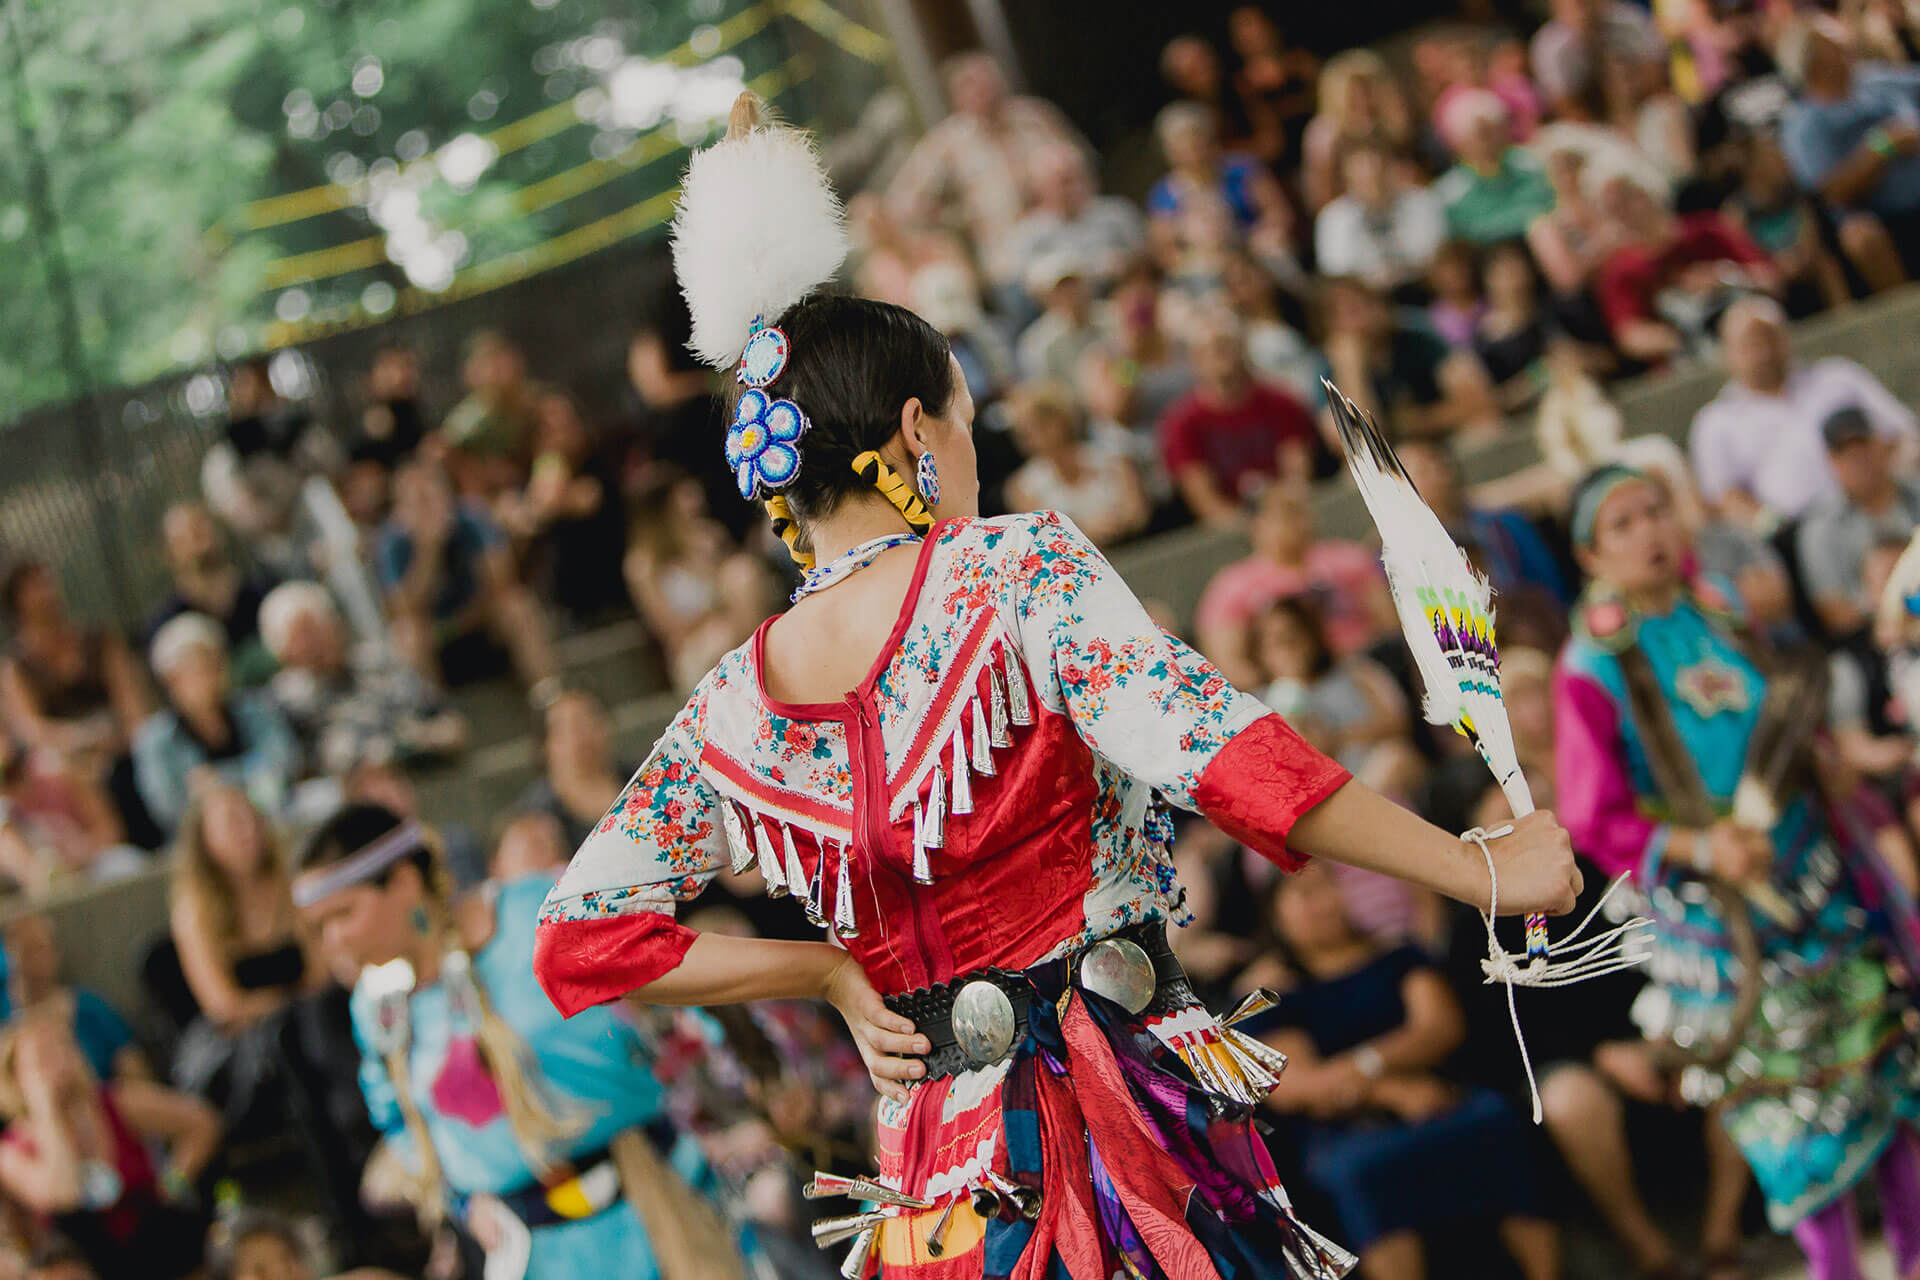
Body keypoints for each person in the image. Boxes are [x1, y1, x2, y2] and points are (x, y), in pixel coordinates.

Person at [532, 96, 1582, 1280]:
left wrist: (827, 972)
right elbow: (1225, 758)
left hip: (938, 1178)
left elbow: (579, 940)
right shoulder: (1008, 566)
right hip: (1116, 1131)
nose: (977, 449)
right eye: (971, 420)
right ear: (917, 427)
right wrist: (1482, 867)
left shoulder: (733, 697)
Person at [1553, 464, 1920, 1280]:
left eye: (1656, 511)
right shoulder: (1592, 663)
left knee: (1888, 1073)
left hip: (1816, 875)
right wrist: (1701, 848)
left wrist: (1825, 763)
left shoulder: (1720, 605)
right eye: (1623, 524)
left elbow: (1785, 715)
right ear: (1588, 555)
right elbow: (1591, 814)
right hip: (1723, 918)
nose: (1650, 531)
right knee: (1790, 1113)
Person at [294, 804, 756, 1279]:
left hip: (655, 1208)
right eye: (319, 927)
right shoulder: (378, 1007)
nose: (333, 940)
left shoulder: (538, 917)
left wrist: (739, 1104)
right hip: (531, 1253)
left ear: (404, 880)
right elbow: (397, 1121)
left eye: (343, 914)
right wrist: (464, 1199)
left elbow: (680, 1004)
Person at [1246, 863, 1559, 1280]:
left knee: (1494, 1121)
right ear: (1275, 915)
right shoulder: (1274, 991)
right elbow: (1298, 1086)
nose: (1324, 904)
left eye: (1329, 888)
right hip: (1345, 1131)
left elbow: (1438, 1026)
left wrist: (1362, 1065)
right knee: (1363, 1171)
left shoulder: (1395, 954)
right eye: (1305, 896)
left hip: (1440, 1094)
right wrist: (1390, 1091)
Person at [0, 1016, 217, 1280]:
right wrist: (47, 1110)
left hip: (156, 1250)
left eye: (61, 1048)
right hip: (85, 1265)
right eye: (42, 1058)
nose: (56, 1063)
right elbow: (62, 1194)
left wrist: (172, 1183)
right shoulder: (12, 1150)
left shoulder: (115, 1102)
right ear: (16, 1075)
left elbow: (202, 1123)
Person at [1688, 297, 1917, 527]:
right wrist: (1771, 525)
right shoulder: (1716, 422)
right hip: (1791, 534)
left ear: (1786, 337)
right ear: (1728, 353)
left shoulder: (1838, 379)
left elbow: (1905, 434)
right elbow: (1724, 500)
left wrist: (1890, 482)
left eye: (1770, 338)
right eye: (1750, 344)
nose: (1764, 353)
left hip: (1879, 509)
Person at [165, 782, 315, 1123]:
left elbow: (319, 970)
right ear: (205, 840)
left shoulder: (291, 885)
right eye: (233, 822)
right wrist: (287, 1005)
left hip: (304, 1019)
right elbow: (224, 1005)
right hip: (246, 1046)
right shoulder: (195, 911)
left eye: (251, 818)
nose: (247, 830)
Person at [886, 52, 1089, 304]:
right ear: (957, 97)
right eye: (972, 88)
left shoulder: (1035, 118)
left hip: (1069, 252)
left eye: (988, 84)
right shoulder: (950, 143)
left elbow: (1083, 164)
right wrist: (957, 220)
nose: (984, 94)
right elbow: (904, 203)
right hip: (1009, 268)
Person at [374, 460, 559, 700]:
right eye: (418, 501)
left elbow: (503, 581)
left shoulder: (471, 519)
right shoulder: (391, 542)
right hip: (437, 638)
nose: (427, 507)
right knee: (406, 635)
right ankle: (433, 713)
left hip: (480, 622)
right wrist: (429, 550)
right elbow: (403, 609)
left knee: (516, 605)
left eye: (432, 495)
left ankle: (548, 693)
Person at [0, 562, 151, 841]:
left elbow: (133, 704)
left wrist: (122, 739)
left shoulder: (99, 641)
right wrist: (84, 740)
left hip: (121, 746)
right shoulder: (17, 667)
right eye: (32, 586)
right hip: (69, 761)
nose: (45, 591)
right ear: (16, 600)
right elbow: (32, 730)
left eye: (45, 580)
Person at [1194, 479, 1393, 688]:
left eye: (1304, 510)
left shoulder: (1350, 560)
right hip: (1288, 690)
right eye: (1286, 513)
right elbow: (1230, 667)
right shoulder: (1231, 587)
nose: (1299, 521)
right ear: (1256, 525)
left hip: (1366, 672)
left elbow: (1390, 626)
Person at [259, 582, 465, 781]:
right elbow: (322, 765)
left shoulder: (381, 661)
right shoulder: (286, 700)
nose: (317, 642)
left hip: (429, 768)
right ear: (282, 651)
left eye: (321, 625)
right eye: (304, 635)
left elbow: (449, 723)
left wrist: (431, 737)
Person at [1589, 162, 1779, 363]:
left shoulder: (1707, 232)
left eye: (1627, 200)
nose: (1624, 215)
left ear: (1649, 191)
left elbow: (1770, 280)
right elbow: (1631, 336)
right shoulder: (1621, 271)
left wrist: (1726, 278)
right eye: (1613, 208)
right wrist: (1683, 334)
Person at [1779, 15, 1920, 285]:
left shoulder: (1877, 80)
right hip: (1880, 218)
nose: (1847, 45)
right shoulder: (1804, 124)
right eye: (1835, 44)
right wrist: (1884, 147)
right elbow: (1834, 193)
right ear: (1814, 63)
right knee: (1860, 234)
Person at [132, 614, 301, 837]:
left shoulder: (256, 708)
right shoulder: (154, 740)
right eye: (200, 669)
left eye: (217, 664)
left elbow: (286, 762)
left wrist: (216, 782)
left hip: (273, 819)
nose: (214, 676)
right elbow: (170, 809)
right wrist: (252, 776)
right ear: (171, 679)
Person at [1156, 308, 1325, 527]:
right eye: (1208, 350)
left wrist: (1281, 519)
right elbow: (1205, 501)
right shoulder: (1181, 423)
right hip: (1231, 530)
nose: (1219, 355)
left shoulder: (1282, 403)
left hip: (1288, 519)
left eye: (1225, 345)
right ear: (1194, 361)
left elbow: (1297, 477)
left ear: (1243, 349)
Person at [1251, 595, 1422, 799]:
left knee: (1394, 757)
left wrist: (1339, 737)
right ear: (1261, 653)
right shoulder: (1257, 706)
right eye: (1278, 642)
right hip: (1316, 796)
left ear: (1312, 637)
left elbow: (1398, 722)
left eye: (1295, 637)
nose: (1290, 649)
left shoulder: (1355, 672)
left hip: (1379, 774)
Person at [622, 476, 778, 696]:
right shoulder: (643, 564)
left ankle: (761, 671)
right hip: (691, 644)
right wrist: (714, 613)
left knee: (742, 571)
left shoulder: (708, 537)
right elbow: (669, 628)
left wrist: (707, 559)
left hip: (733, 623)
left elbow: (736, 588)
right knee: (720, 637)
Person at [493, 389, 631, 626]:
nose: (562, 431)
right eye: (550, 427)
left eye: (567, 421)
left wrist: (530, 507)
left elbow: (578, 500)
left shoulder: (598, 460)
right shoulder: (531, 473)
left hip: (610, 584)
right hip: (565, 595)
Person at [200, 357, 344, 576]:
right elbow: (241, 515)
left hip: (318, 534)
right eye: (245, 388)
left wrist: (296, 441)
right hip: (267, 554)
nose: (254, 397)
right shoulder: (224, 458)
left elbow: (336, 468)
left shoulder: (299, 435)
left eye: (261, 387)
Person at [1319, 277, 1502, 440]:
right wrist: (1351, 372)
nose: (1363, 319)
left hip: (1445, 438)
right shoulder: (1329, 370)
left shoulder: (1418, 338)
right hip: (1391, 461)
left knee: (1486, 427)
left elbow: (1479, 401)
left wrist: (1418, 422)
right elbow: (1357, 443)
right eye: (1350, 313)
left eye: (1366, 304)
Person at [1796, 407, 1920, 640]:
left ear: (1880, 446)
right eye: (1845, 452)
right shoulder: (1820, 529)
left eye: (1863, 446)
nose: (1857, 459)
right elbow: (1835, 612)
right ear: (1832, 462)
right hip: (1875, 645)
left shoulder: (1916, 492)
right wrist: (1892, 605)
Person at [142, 504, 279, 689]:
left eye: (200, 528)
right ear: (168, 554)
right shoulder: (167, 626)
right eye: (185, 536)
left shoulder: (265, 593)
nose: (197, 540)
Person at [1147, 103, 1295, 272]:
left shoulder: (1243, 169)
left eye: (1197, 142)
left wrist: (1265, 235)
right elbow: (1164, 250)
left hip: (1254, 248)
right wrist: (1193, 261)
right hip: (1203, 263)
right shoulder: (1163, 195)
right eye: (1184, 147)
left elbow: (1278, 212)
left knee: (1277, 256)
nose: (1193, 153)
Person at [1003, 379, 1150, 548]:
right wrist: (1089, 532)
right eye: (1023, 432)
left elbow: (1138, 514)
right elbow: (1040, 543)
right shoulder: (1022, 489)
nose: (1034, 436)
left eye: (1041, 423)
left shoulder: (1113, 459)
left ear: (1062, 419)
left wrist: (1114, 524)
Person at [1, 916, 147, 1086]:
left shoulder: (89, 1007)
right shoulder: (6, 1027)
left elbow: (136, 1072)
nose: (33, 963)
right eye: (24, 952)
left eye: (41, 949)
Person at [0, 734, 146, 892]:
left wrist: (82, 852)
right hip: (36, 887)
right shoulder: (4, 812)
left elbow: (110, 829)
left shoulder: (58, 773)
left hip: (91, 865)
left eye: (12, 771)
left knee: (126, 862)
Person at [1003, 143, 1145, 299]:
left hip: (1120, 300)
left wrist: (1125, 264)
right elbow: (1025, 289)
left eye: (1078, 176)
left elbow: (1145, 261)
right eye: (1063, 181)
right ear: (1040, 186)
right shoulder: (1027, 234)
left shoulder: (1118, 214)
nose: (1073, 187)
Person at [1312, 138, 1447, 294]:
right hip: (1365, 303)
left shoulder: (1423, 201)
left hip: (1424, 292)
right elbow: (1338, 277)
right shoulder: (1333, 220)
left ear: (1393, 169)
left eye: (1379, 173)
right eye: (1363, 178)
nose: (1373, 184)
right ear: (1346, 178)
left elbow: (1435, 259)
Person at [1433, 91, 1556, 248]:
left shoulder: (1530, 165)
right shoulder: (1451, 194)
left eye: (1494, 128)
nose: (1489, 140)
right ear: (1459, 142)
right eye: (1481, 133)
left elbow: (1550, 206)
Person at [513, 690, 630, 854]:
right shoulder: (535, 815)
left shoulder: (645, 779)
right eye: (566, 728)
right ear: (544, 746)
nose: (581, 736)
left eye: (589, 720)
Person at [1302, 51, 1416, 214]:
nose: (1364, 100)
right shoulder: (1325, 135)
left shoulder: (1388, 124)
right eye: (1355, 94)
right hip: (1351, 213)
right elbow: (1321, 198)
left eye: (1367, 91)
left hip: (1399, 203)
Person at [436, 331, 535, 501]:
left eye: (500, 360)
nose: (496, 371)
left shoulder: (534, 404)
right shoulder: (467, 418)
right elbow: (445, 452)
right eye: (487, 363)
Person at [1530, 0, 1665, 119]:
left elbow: (1655, 77)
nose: (1582, 6)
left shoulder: (1630, 20)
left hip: (1641, 109)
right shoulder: (1549, 46)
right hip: (1589, 125)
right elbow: (1563, 105)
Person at [1014, 253, 1102, 384]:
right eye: (1061, 290)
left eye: (1073, 285)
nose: (1070, 295)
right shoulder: (1036, 346)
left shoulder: (1113, 318)